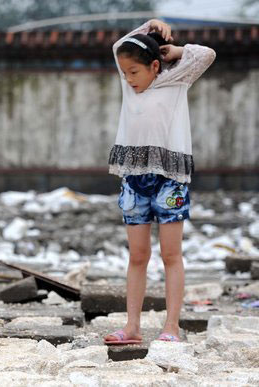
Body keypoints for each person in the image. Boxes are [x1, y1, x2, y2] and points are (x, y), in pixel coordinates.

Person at [105, 19, 216, 345]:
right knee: (137, 256)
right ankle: (132, 326)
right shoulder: (129, 84)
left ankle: (172, 327)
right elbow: (118, 47)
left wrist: (175, 49)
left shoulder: (177, 79)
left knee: (171, 255)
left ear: (155, 65)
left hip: (171, 181)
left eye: (135, 72)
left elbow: (206, 54)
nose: (128, 79)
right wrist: (147, 26)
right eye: (125, 73)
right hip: (133, 180)